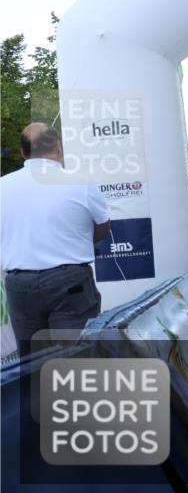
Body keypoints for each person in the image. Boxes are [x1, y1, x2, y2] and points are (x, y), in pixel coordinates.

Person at [0, 123, 111, 354]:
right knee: (76, 359)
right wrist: (75, 242)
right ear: (58, 147)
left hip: (20, 285)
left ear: (23, 152)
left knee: (32, 361)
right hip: (70, 281)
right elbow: (103, 227)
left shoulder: (3, 186)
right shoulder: (82, 182)